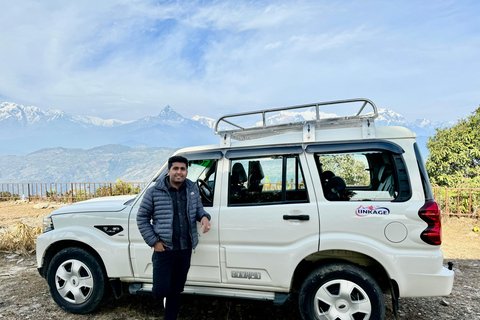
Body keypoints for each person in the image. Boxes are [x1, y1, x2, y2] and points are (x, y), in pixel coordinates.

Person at [137, 155, 211, 320]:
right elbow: (142, 218)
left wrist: (205, 217)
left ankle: (170, 317)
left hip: (185, 248)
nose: (179, 172)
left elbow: (199, 209)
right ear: (169, 170)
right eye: (176, 168)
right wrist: (154, 241)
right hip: (164, 249)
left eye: (183, 169)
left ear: (186, 171)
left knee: (177, 289)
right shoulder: (154, 192)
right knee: (161, 290)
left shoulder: (192, 188)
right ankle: (163, 298)